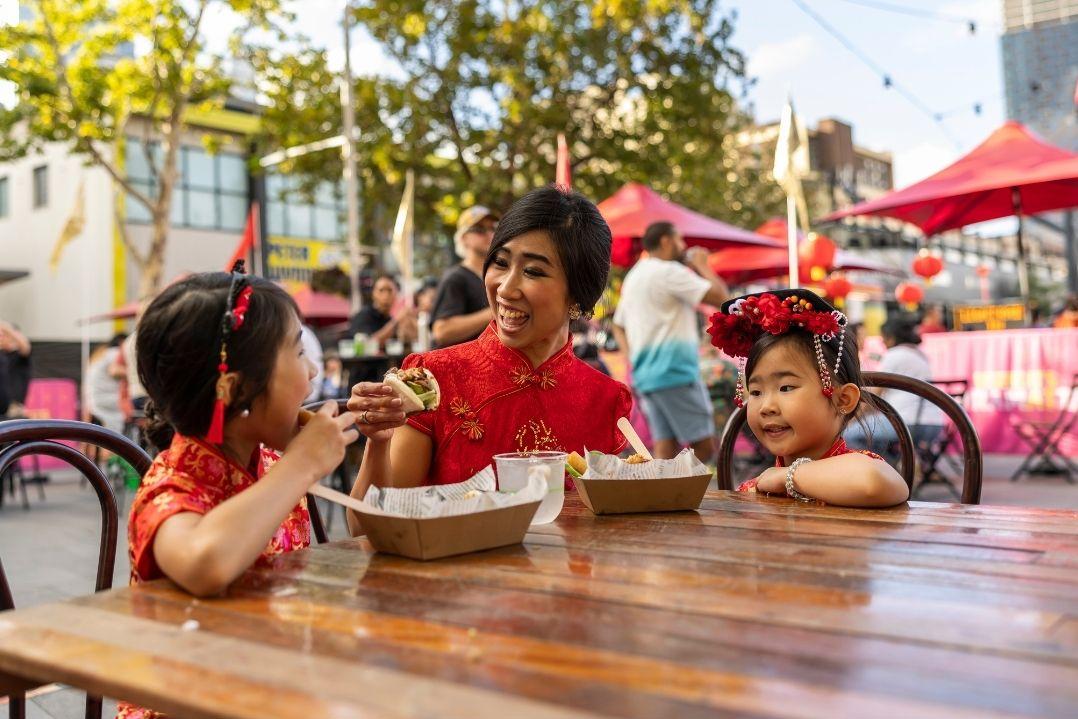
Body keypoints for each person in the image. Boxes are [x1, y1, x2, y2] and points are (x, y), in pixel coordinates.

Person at [345, 187, 632, 531]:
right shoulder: (432, 379)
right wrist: (378, 443)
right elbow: (364, 529)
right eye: (500, 263)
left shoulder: (604, 399)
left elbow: (611, 530)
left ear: (579, 294)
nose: (505, 288)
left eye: (534, 272)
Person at [707, 289, 908, 507]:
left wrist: (787, 477)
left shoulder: (858, 470)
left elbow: (872, 482)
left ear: (843, 400)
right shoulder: (757, 488)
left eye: (785, 388)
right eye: (756, 392)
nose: (766, 407)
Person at [611, 221, 729, 464]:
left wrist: (632, 359)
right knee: (704, 447)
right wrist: (701, 265)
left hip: (647, 377)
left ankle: (662, 497)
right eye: (679, 239)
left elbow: (617, 324)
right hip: (675, 374)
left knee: (664, 450)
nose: (683, 245)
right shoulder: (668, 271)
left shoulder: (635, 275)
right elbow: (722, 298)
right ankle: (681, 491)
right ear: (665, 241)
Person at [844, 316, 944, 463]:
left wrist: (852, 419)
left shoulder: (893, 355)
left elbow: (873, 399)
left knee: (848, 436)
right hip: (934, 424)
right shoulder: (920, 355)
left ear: (891, 337)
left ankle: (891, 471)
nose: (882, 342)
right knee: (873, 437)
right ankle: (898, 467)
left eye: (883, 338)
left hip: (904, 423)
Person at [430, 206, 500, 347]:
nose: (489, 234)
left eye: (492, 228)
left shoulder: (497, 275)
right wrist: (495, 311)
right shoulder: (455, 278)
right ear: (464, 238)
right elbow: (441, 331)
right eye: (480, 229)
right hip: (459, 366)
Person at [348, 274, 411, 349]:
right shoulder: (363, 315)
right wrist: (396, 321)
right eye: (381, 290)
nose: (386, 295)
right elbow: (370, 344)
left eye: (389, 290)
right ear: (373, 293)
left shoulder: (389, 319)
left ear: (395, 295)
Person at [83, 333, 127, 434]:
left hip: (93, 401)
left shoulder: (100, 354)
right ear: (122, 343)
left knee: (108, 435)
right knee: (134, 410)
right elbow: (114, 370)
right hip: (108, 400)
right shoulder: (115, 352)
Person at [0, 320, 32, 417]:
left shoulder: (19, 355)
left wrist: (6, 328)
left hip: (13, 408)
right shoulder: (2, 355)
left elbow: (25, 347)